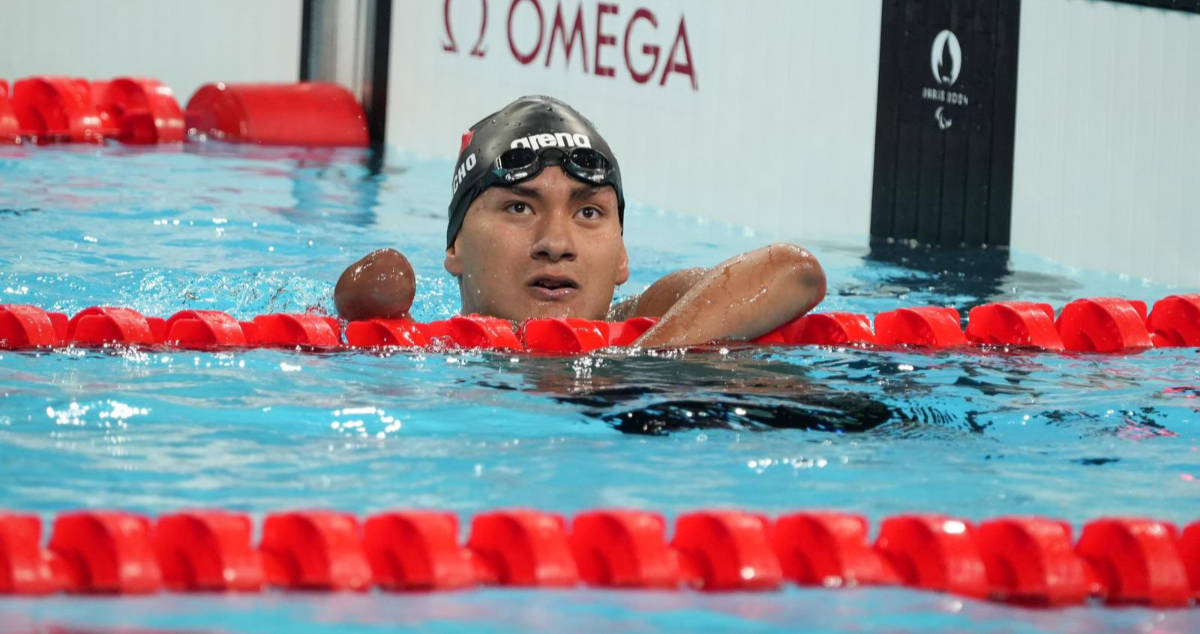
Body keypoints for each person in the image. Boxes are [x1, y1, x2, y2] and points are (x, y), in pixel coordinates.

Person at [334, 95, 826, 348]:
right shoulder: (421, 348)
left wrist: (640, 369)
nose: (556, 243)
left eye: (588, 212)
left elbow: (794, 271)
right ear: (455, 245)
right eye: (519, 207)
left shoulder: (649, 316)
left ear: (622, 256)